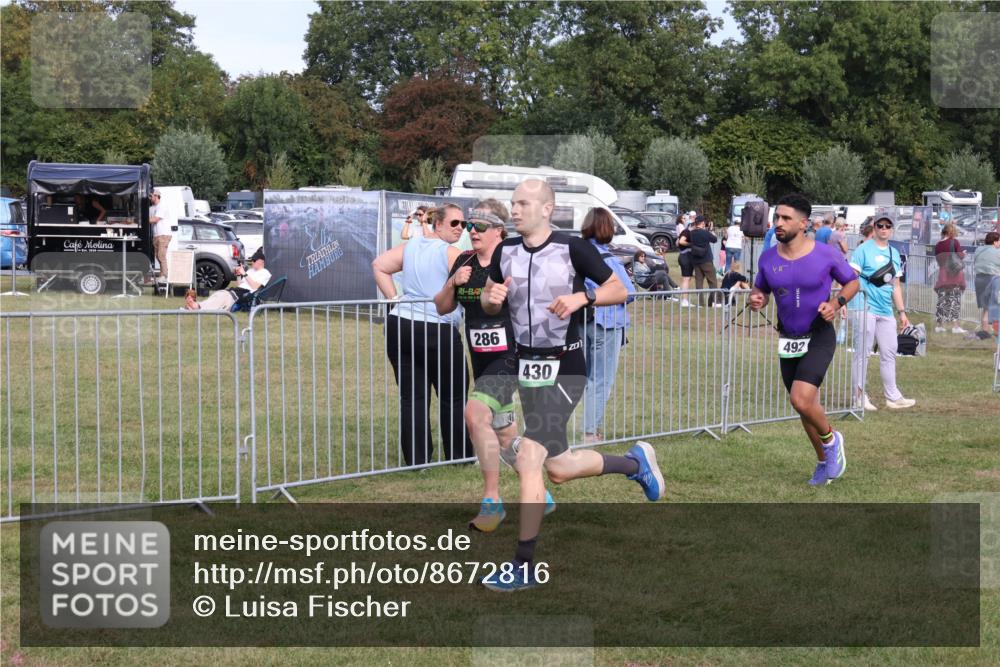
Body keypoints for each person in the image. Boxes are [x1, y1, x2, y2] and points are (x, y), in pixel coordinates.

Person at [480, 179, 665, 592]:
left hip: (566, 369)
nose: (516, 209)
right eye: (513, 203)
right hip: (529, 369)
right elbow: (491, 302)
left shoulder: (572, 248)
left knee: (529, 456)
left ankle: (522, 566)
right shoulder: (505, 250)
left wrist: (585, 299)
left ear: (548, 208)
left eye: (524, 203)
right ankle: (635, 464)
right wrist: (491, 298)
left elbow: (623, 288)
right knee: (557, 469)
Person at [433, 200, 554, 532]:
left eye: (480, 227)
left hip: (510, 357)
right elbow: (442, 307)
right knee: (503, 439)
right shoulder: (464, 260)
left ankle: (492, 503)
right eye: (469, 226)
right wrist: (453, 283)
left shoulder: (514, 260)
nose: (472, 232)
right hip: (481, 360)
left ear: (499, 230)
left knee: (474, 415)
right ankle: (540, 494)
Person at [750, 194, 859, 486]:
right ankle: (824, 462)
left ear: (803, 223)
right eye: (777, 218)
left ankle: (832, 439)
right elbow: (760, 289)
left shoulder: (825, 253)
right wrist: (756, 299)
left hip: (819, 333)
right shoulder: (768, 258)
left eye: (786, 218)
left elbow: (852, 281)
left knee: (800, 398)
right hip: (788, 337)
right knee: (804, 406)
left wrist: (836, 304)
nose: (779, 224)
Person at [372, 203, 472, 466]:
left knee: (412, 396)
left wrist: (395, 300)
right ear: (437, 224)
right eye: (454, 223)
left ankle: (417, 460)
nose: (460, 228)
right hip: (436, 327)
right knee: (453, 395)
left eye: (463, 224)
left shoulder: (412, 246)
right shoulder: (453, 253)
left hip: (401, 325)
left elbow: (379, 265)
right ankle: (459, 456)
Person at [579, 208, 637, 444]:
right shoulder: (608, 259)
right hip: (608, 322)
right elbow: (628, 292)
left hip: (583, 322)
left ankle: (586, 427)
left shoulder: (578, 255)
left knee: (586, 378)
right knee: (601, 379)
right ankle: (590, 432)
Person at [849, 213, 916, 410]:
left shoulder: (894, 253)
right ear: (874, 227)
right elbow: (851, 277)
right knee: (863, 352)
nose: (884, 229)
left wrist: (902, 312)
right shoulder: (863, 250)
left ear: (892, 229)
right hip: (864, 305)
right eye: (880, 225)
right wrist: (843, 303)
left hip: (885, 309)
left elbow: (895, 285)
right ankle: (859, 396)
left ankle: (893, 397)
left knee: (889, 351)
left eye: (888, 226)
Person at [185, 248, 270, 311]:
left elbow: (255, 286)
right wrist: (238, 275)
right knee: (218, 294)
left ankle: (198, 307)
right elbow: (240, 284)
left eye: (254, 260)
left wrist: (244, 273)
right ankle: (198, 305)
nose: (252, 262)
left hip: (245, 294)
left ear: (261, 262)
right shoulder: (251, 271)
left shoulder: (265, 273)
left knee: (222, 298)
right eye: (252, 260)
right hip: (238, 290)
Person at [933, 224, 967, 334]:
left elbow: (939, 259)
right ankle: (955, 326)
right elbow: (959, 256)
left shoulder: (938, 245)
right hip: (954, 275)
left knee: (942, 301)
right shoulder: (954, 242)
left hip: (942, 274)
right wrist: (963, 254)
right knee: (954, 301)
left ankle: (939, 325)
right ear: (951, 232)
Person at [689, 215, 720, 307]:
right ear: (702, 223)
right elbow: (714, 239)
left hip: (696, 260)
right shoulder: (705, 233)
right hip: (706, 260)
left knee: (699, 282)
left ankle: (700, 303)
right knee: (712, 281)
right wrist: (710, 230)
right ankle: (714, 302)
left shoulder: (692, 233)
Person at [973, 231, 1000, 335]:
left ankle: (985, 332)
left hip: (979, 279)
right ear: (995, 242)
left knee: (986, 308)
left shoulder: (978, 250)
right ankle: (997, 333)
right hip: (993, 280)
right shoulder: (997, 252)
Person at [149, 189, 175, 284]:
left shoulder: (162, 206)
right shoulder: (152, 208)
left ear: (156, 196)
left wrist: (142, 220)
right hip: (156, 235)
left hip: (164, 235)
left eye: (151, 196)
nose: (150, 198)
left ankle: (164, 276)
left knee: (161, 255)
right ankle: (162, 275)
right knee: (158, 256)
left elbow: (155, 219)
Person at [676, 217, 696, 307]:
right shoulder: (687, 232)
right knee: (686, 279)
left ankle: (684, 299)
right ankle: (684, 300)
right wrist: (691, 244)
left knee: (686, 279)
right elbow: (681, 241)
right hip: (685, 256)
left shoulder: (687, 232)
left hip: (684, 256)